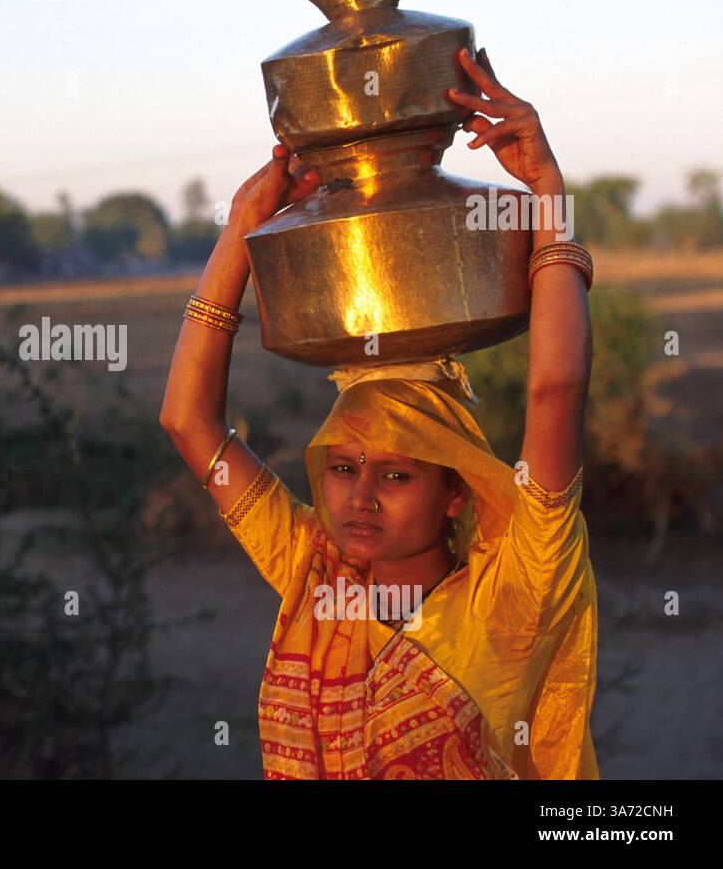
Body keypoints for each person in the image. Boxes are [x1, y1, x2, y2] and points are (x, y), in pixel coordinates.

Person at [160, 47, 598, 779]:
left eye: (396, 474)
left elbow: (555, 389)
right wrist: (241, 226)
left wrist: (548, 193)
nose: (356, 497)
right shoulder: (314, 572)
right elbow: (187, 422)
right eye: (341, 467)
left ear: (455, 489)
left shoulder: (512, 593)